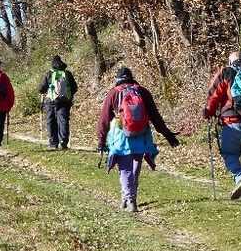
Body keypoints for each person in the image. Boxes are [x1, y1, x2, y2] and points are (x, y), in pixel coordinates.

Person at [97, 67, 180, 212]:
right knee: (135, 168)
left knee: (125, 168)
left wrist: (101, 139)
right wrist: (167, 134)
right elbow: (155, 116)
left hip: (121, 136)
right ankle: (128, 197)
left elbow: (104, 118)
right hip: (142, 135)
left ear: (117, 79)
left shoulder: (114, 93)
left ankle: (130, 200)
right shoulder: (142, 91)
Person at [204, 51, 241, 201]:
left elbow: (214, 95)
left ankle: (240, 176)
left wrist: (208, 112)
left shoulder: (226, 72)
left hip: (232, 122)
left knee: (229, 154)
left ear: (230, 61)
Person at [37, 54, 77, 150]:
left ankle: (53, 143)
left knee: (51, 121)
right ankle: (63, 140)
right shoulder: (67, 73)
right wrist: (68, 96)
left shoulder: (49, 74)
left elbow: (41, 89)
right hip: (64, 101)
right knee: (63, 120)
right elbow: (74, 87)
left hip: (51, 101)